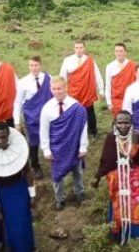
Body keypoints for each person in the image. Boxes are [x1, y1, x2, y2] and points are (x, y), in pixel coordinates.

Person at [94, 111, 139, 246]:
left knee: (137, 201)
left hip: (134, 175)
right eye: (120, 122)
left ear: (131, 123)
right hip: (118, 175)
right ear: (115, 124)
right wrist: (98, 176)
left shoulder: (136, 136)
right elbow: (106, 160)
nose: (123, 125)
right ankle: (119, 231)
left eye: (126, 122)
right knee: (119, 201)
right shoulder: (111, 137)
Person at [0, 123, 36, 252]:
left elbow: (27, 171)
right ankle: (7, 245)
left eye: (3, 137)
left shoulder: (20, 147)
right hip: (0, 192)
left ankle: (24, 247)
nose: (0, 141)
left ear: (8, 135)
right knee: (3, 222)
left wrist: (32, 195)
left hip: (19, 190)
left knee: (21, 222)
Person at [39, 76, 88, 210]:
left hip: (74, 145)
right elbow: (44, 130)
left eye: (59, 88)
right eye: (53, 89)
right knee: (57, 174)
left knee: (77, 172)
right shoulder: (47, 108)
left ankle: (80, 194)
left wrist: (83, 146)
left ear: (66, 87)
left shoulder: (76, 107)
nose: (56, 91)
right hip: (57, 147)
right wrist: (46, 149)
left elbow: (83, 127)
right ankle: (59, 199)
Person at [15, 55, 52, 179]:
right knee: (33, 142)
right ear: (28, 66)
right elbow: (18, 102)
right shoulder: (23, 82)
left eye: (36, 65)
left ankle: (55, 159)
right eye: (31, 65)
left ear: (40, 65)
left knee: (52, 137)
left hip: (48, 115)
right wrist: (16, 121)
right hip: (32, 117)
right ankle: (35, 166)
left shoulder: (49, 78)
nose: (34, 68)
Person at [60, 40, 104, 138]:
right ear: (74, 49)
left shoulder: (90, 61)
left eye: (81, 48)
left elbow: (97, 75)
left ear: (84, 48)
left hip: (87, 91)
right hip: (73, 92)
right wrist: (62, 91)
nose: (79, 50)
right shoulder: (67, 60)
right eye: (77, 48)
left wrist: (101, 90)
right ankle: (75, 132)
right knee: (73, 112)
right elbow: (63, 77)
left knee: (90, 112)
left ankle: (93, 131)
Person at [104, 43, 137, 117]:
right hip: (116, 100)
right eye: (117, 51)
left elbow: (137, 84)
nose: (119, 53)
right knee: (119, 122)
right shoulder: (110, 67)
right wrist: (109, 103)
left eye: (121, 51)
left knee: (131, 120)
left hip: (130, 99)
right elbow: (108, 86)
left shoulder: (132, 65)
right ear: (114, 52)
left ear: (125, 52)